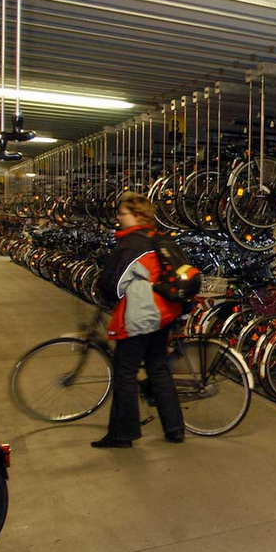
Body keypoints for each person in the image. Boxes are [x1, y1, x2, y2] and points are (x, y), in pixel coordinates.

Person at [91, 192, 185, 448]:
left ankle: (123, 434)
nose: (119, 217)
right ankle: (175, 429)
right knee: (158, 369)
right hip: (162, 314)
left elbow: (114, 284)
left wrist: (107, 294)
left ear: (137, 216)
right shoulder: (156, 239)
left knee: (125, 372)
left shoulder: (132, 244)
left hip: (141, 316)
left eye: (123, 213)